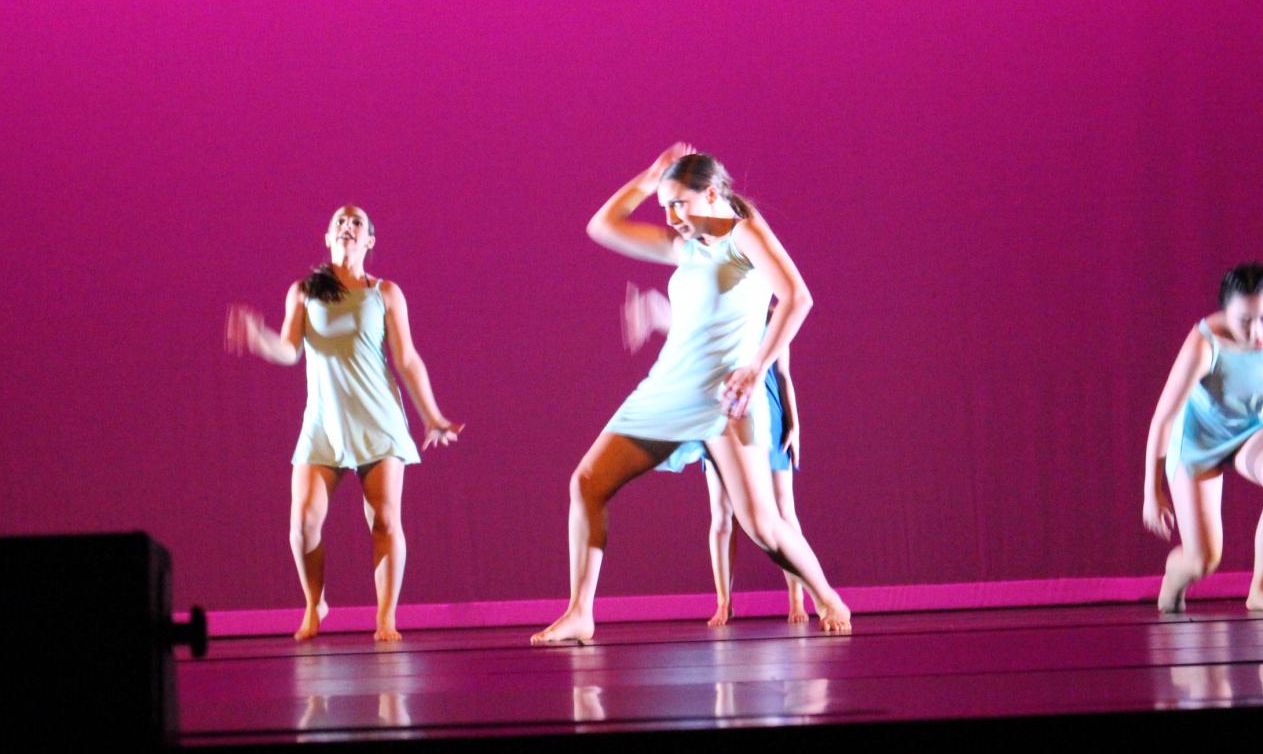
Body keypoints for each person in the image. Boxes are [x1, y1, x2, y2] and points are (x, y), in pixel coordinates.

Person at [532, 144, 851, 644]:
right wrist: (649, 176)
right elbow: (603, 227)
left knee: (762, 526)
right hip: (666, 390)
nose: (670, 216)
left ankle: (828, 596)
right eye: (665, 207)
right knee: (588, 482)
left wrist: (756, 368)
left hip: (723, 400)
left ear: (712, 193)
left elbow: (797, 297)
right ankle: (579, 612)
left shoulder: (743, 235)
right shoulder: (687, 245)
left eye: (679, 203)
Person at [226, 205, 463, 642]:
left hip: (378, 421)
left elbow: (406, 359)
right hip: (324, 424)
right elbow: (288, 349)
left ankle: (386, 618)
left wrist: (431, 416)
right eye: (340, 221)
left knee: (386, 521)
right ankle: (315, 606)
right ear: (327, 236)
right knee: (303, 524)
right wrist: (258, 336)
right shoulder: (303, 292)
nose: (348, 227)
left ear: (370, 241)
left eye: (357, 223)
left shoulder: (385, 293)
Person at [624, 287, 808, 626]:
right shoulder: (719, 319)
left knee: (783, 510)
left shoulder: (772, 319)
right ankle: (724, 602)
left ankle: (797, 598)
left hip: (769, 419)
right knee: (722, 515)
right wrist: (653, 312)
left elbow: (783, 375)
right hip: (725, 422)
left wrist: (794, 424)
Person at [1144, 262, 1263, 614]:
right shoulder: (1205, 343)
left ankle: (1260, 588)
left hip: (1252, 426)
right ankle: (1174, 580)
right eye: (1244, 322)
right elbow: (1163, 419)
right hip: (1198, 440)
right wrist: (1152, 491)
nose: (1257, 334)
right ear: (1226, 314)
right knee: (1204, 560)